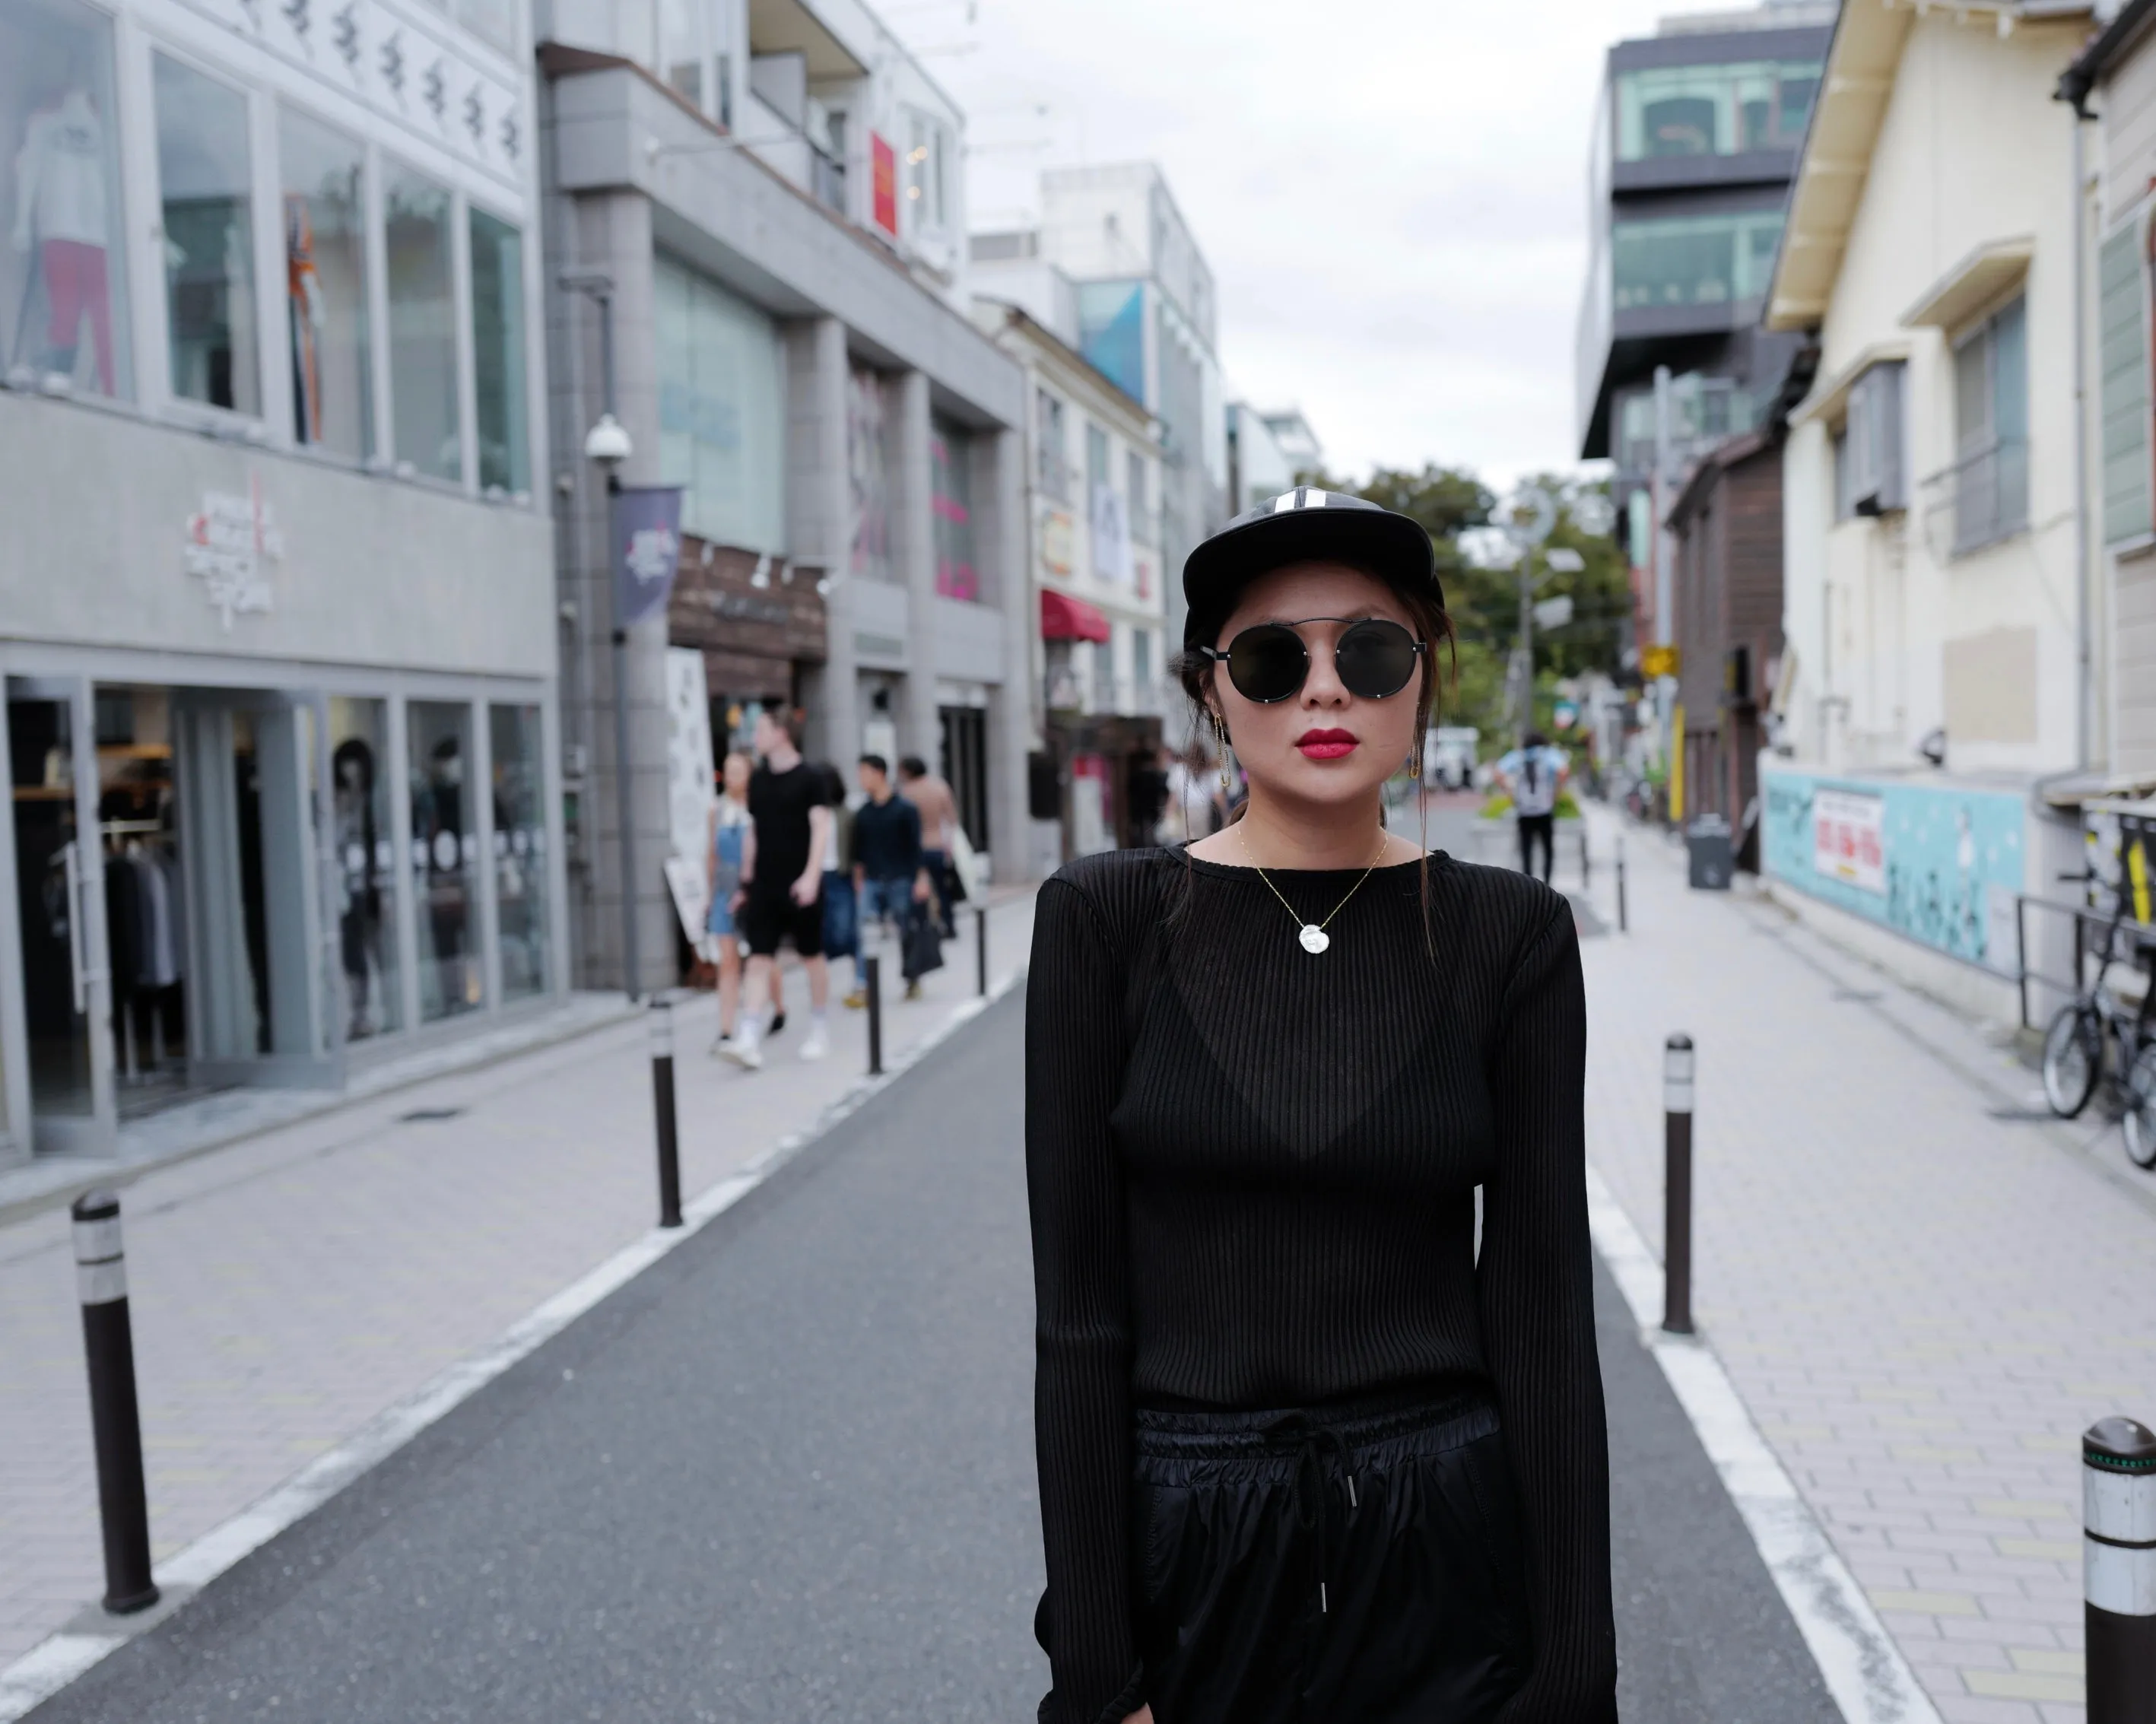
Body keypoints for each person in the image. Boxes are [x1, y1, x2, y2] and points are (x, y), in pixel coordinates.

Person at [1025, 489, 1615, 1724]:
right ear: (1212, 689)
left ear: (1421, 676)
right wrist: (1096, 1669)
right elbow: (1079, 1321)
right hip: (1190, 1558)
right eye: (1274, 657)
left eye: (1373, 650)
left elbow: (1545, 1310)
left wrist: (1573, 1672)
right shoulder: (1103, 921)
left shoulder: (1512, 937)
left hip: (1445, 1554)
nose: (1326, 688)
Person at [722, 708, 831, 1070]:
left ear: (782, 733)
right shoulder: (759, 781)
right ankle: (749, 1036)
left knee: (811, 955)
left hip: (801, 882)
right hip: (765, 884)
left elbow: (821, 828)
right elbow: (754, 832)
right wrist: (746, 883)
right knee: (758, 959)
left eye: (762, 729)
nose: (756, 737)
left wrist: (812, 875)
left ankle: (819, 1026)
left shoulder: (811, 778)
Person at [847, 754, 937, 1003]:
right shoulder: (863, 813)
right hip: (872, 879)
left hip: (901, 878)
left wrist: (921, 879)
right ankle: (862, 983)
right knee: (864, 930)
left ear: (879, 773)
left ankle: (911, 978)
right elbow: (859, 852)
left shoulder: (905, 809)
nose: (861, 779)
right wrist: (859, 880)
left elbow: (916, 848)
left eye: (864, 773)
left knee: (906, 930)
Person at [703, 750, 752, 1052]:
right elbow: (711, 855)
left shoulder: (759, 808)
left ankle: (778, 1007)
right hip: (724, 889)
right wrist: (709, 897)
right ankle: (726, 1028)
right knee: (728, 961)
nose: (731, 776)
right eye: (727, 770)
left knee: (761, 959)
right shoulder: (717, 811)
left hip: (754, 890)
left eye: (737, 770)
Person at [896, 756, 959, 938]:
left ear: (908, 771)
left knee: (918, 892)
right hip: (937, 845)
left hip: (915, 849)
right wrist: (949, 845)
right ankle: (949, 926)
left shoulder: (906, 792)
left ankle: (923, 929)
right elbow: (952, 819)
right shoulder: (939, 787)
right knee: (943, 890)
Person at [1496, 729, 1568, 885]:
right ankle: (1548, 883)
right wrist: (1557, 792)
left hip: (1525, 810)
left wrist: (1509, 793)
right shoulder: (1548, 754)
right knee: (1547, 850)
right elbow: (1563, 771)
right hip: (1544, 809)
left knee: (1526, 850)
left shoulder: (1518, 756)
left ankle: (1529, 885)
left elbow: (1498, 772)